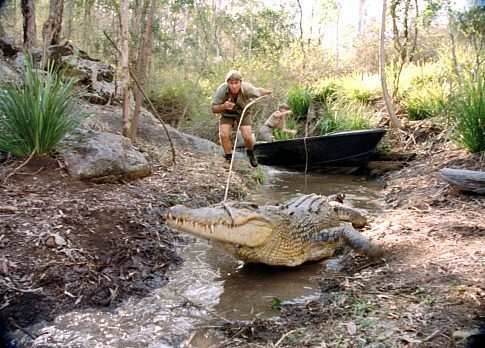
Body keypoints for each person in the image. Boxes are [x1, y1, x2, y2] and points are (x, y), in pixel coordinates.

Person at [211, 70, 272, 167]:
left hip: (243, 112)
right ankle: (228, 158)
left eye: (236, 83)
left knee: (247, 136)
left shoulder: (247, 88)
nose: (234, 86)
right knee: (223, 134)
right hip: (227, 113)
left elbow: (259, 91)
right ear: (227, 83)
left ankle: (251, 154)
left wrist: (269, 91)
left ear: (240, 82)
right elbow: (213, 109)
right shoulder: (222, 90)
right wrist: (223, 106)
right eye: (231, 83)